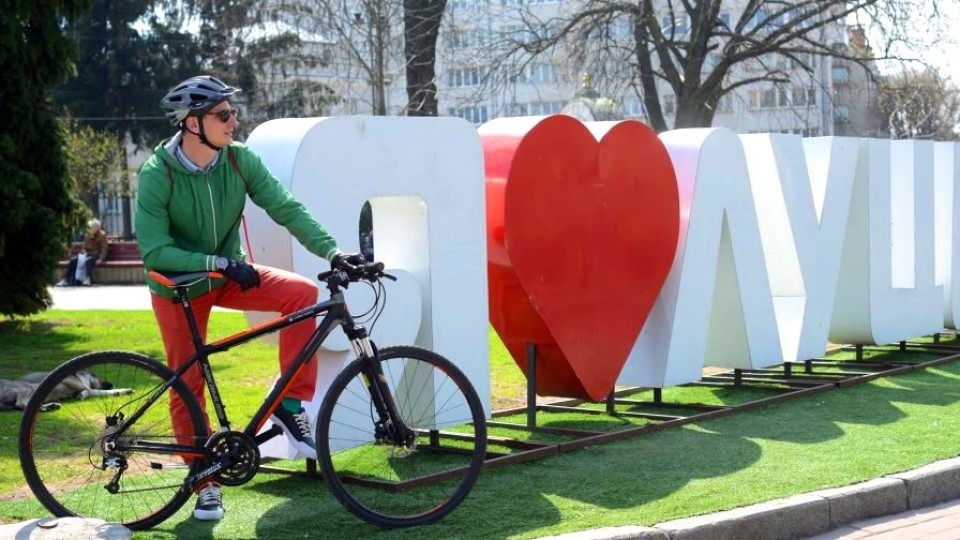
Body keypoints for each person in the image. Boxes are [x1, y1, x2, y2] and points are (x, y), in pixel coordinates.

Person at [136, 75, 364, 521]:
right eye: (223, 114)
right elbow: (155, 252)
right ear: (192, 123)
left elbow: (285, 206)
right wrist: (216, 263)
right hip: (178, 284)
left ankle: (290, 404)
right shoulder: (157, 174)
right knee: (188, 384)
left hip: (226, 273)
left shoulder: (238, 161)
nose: (233, 120)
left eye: (232, 112)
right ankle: (204, 482)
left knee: (301, 293)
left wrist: (332, 250)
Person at [58, 218, 109, 286]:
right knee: (73, 260)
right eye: (90, 227)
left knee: (87, 261)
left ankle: (87, 279)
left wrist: (101, 259)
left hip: (95, 255)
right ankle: (65, 279)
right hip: (86, 254)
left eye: (92, 227)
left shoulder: (102, 235)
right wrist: (84, 252)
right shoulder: (88, 234)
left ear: (97, 228)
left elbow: (104, 248)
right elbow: (84, 246)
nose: (90, 228)